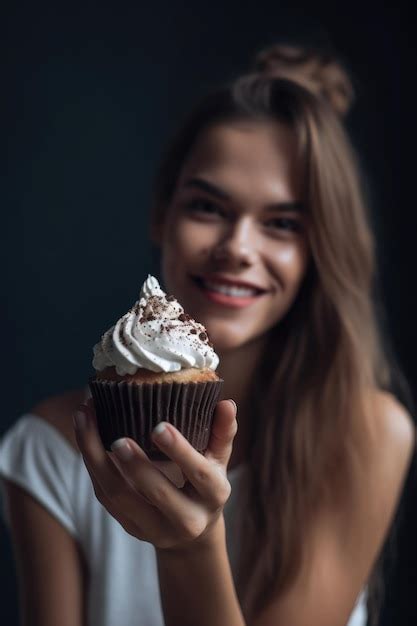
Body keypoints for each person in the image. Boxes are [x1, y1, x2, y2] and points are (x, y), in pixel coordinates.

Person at [0, 44, 415, 626]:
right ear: (161, 213)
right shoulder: (49, 451)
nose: (237, 249)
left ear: (321, 247)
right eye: (208, 207)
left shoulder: (365, 435)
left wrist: (190, 548)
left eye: (282, 223)